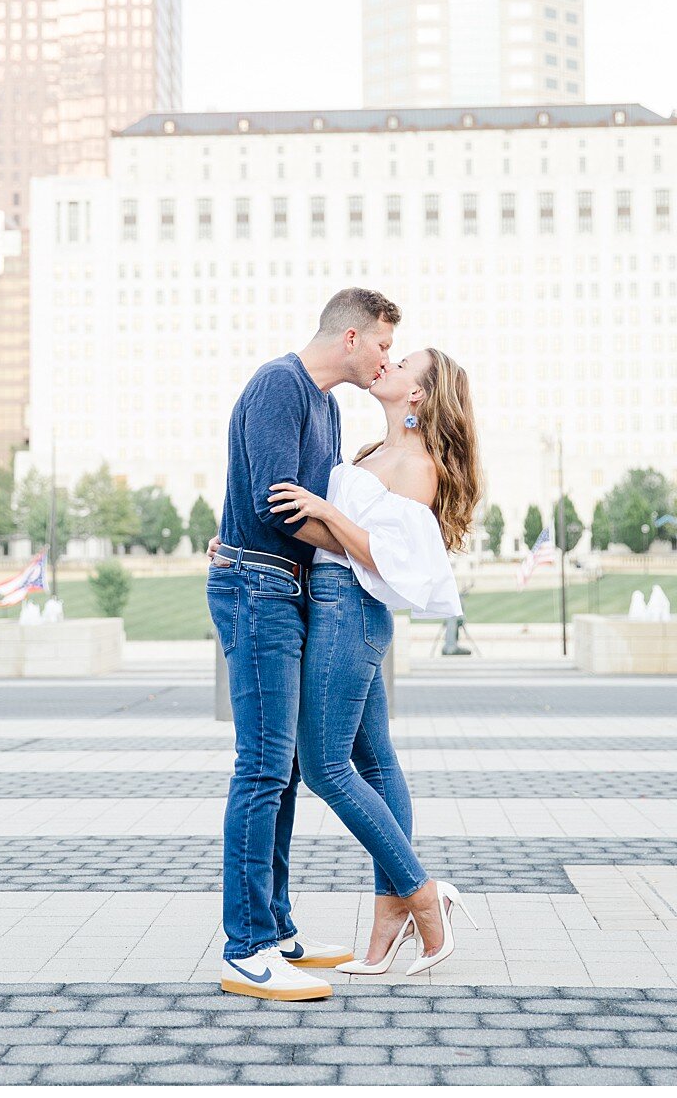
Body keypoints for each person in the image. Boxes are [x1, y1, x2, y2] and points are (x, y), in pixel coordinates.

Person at [208, 287, 401, 1001]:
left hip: (281, 588)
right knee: (262, 769)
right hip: (257, 590)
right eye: (383, 343)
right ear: (351, 338)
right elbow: (276, 503)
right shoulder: (279, 384)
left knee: (283, 771)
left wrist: (343, 544)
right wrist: (362, 553)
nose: (386, 359)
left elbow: (302, 506)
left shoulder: (326, 405)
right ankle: (245, 948)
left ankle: (276, 928)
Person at [266, 348, 483, 976]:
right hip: (333, 600)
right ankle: (388, 919)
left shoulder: (418, 466)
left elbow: (391, 558)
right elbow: (331, 537)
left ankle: (420, 892)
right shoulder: (370, 453)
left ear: (419, 395)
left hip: (350, 609)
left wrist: (328, 510)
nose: (386, 365)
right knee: (375, 761)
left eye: (402, 363)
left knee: (325, 767)